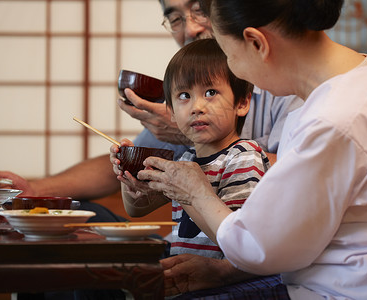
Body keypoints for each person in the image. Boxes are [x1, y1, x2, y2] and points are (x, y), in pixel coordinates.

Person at [137, 0, 367, 299]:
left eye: (228, 55)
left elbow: (258, 247)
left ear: (256, 42)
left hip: (337, 290)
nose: (236, 69)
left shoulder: (334, 120)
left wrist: (196, 193)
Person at [0, 0, 302, 200]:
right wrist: (37, 190)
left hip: (254, 250)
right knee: (69, 233)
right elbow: (126, 170)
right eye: (175, 18)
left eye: (200, 9)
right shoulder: (183, 98)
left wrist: (193, 136)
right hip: (189, 243)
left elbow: (304, 172)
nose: (190, 28)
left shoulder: (281, 84)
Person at [114, 38, 274, 260]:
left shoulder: (244, 156)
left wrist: (187, 194)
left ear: (242, 103)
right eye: (184, 96)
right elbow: (137, 208)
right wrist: (127, 172)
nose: (196, 107)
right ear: (170, 110)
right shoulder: (187, 159)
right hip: (188, 278)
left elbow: (238, 238)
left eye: (210, 92)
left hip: (224, 283)